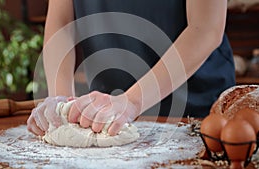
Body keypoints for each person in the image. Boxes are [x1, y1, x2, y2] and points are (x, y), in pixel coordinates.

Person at [27, 0, 235, 137]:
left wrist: (132, 101)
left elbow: (206, 29)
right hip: (109, 117)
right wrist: (61, 101)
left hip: (195, 112)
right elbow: (62, 22)